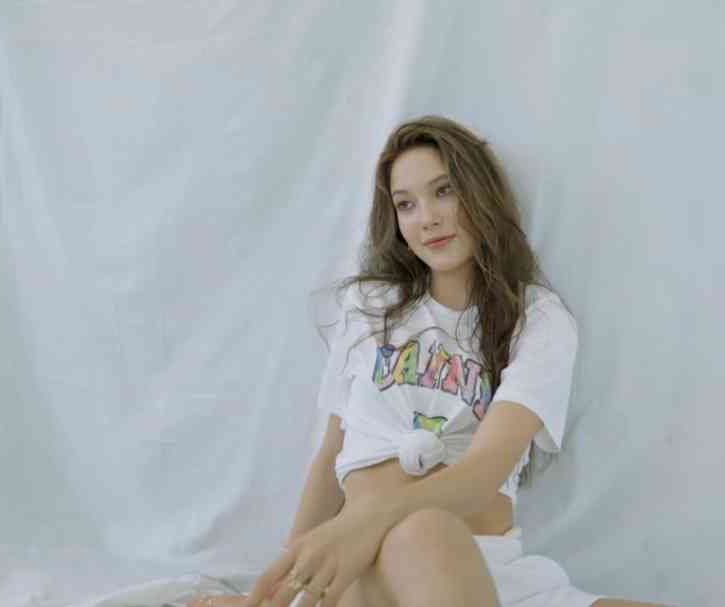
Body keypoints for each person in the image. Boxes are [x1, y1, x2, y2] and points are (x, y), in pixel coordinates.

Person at [188, 116, 668, 607]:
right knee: (422, 530)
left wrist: (366, 518)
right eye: (406, 204)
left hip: (484, 563)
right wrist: (285, 584)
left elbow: (484, 472)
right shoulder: (369, 308)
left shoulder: (537, 319)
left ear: (480, 193)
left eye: (444, 191)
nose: (428, 219)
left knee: (429, 531)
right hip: (365, 563)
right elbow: (331, 456)